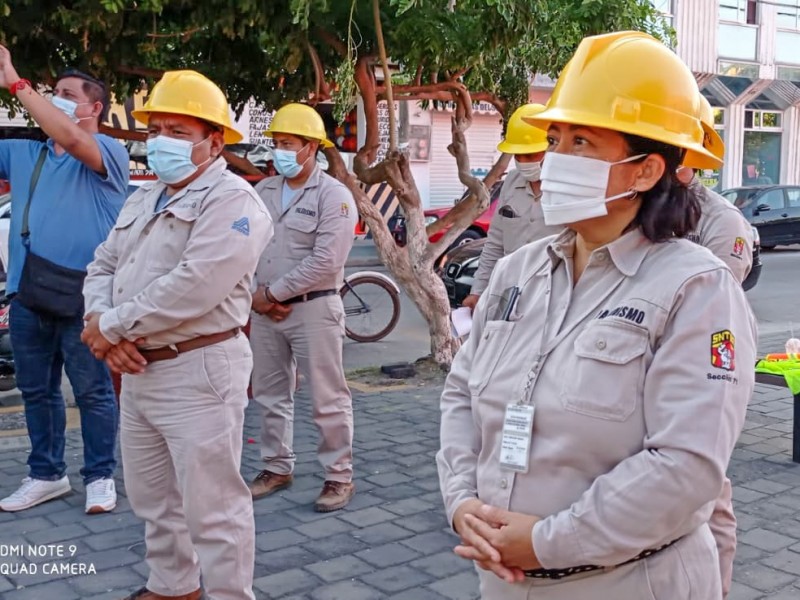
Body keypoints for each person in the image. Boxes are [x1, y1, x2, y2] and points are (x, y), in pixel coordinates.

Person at [436, 31, 756, 599]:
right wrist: (463, 501)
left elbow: (685, 467)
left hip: (629, 582)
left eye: (581, 141)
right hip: (504, 579)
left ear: (645, 170)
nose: (554, 161)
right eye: (554, 138)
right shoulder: (518, 272)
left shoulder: (697, 290)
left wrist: (549, 542)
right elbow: (462, 394)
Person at [81, 70, 272, 600]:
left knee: (213, 507)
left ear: (214, 142)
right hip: (139, 368)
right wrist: (100, 324)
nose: (161, 139)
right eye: (156, 128)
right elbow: (102, 265)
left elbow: (193, 287)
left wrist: (110, 327)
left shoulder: (234, 202)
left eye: (178, 130)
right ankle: (172, 587)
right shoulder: (146, 197)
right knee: (153, 498)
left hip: (199, 369)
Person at [0, 47, 128, 514]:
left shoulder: (107, 153)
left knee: (92, 390)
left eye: (68, 95)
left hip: (85, 297)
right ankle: (45, 474)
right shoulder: (25, 154)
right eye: (53, 93)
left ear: (94, 107)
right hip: (29, 294)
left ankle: (99, 476)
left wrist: (15, 81)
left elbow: (72, 140)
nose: (56, 99)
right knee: (37, 390)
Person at [248, 103, 357, 512]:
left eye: (288, 144)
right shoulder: (263, 192)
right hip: (264, 310)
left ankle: (338, 476)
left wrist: (272, 294)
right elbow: (243, 248)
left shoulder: (335, 197)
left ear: (311, 147)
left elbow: (326, 260)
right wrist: (258, 298)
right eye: (276, 143)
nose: (280, 151)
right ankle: (277, 466)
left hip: (314, 310)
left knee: (327, 397)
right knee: (270, 393)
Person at [678, 94, 754, 600]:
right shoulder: (655, 208)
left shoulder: (718, 219)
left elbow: (714, 295)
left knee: (708, 488)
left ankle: (716, 588)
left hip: (709, 348)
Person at [461, 104, 562, 311]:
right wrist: (478, 291)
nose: (523, 162)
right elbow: (495, 243)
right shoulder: (511, 183)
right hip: (509, 296)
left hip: (555, 300)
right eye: (518, 156)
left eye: (531, 154)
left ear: (551, 148)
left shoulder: (569, 190)